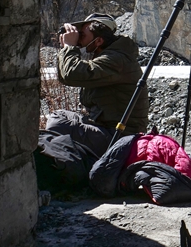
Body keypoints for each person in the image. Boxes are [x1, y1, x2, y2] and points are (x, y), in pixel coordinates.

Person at [45, 13, 149, 157]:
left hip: (120, 136)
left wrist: (69, 47)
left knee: (58, 124)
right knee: (60, 115)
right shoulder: (110, 56)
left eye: (82, 36)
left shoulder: (116, 60)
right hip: (104, 127)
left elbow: (72, 75)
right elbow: (68, 76)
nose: (78, 42)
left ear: (98, 40)